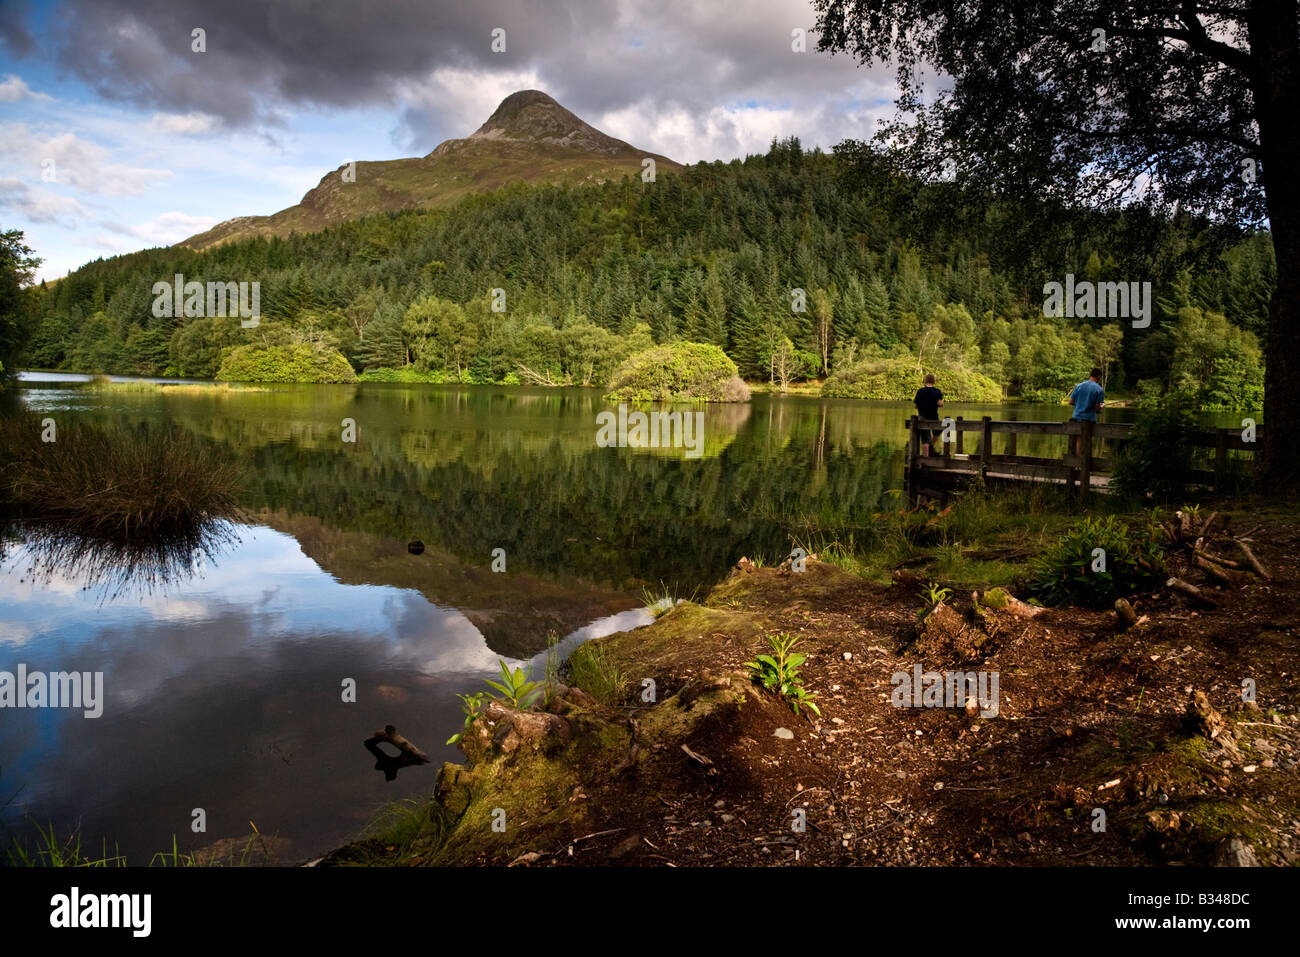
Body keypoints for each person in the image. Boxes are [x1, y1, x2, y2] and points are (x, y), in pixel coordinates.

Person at [1067, 367, 1105, 456]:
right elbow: (1097, 408)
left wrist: (1081, 404)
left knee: (1078, 441)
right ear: (1099, 376)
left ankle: (1077, 464)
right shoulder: (1099, 389)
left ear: (1090, 375)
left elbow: (1071, 402)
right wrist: (1101, 406)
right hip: (1089, 419)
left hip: (1076, 417)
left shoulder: (1079, 386)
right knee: (1086, 441)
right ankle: (1082, 464)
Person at [913, 373, 944, 455]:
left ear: (925, 381)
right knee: (937, 431)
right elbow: (941, 404)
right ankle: (931, 446)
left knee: (925, 439)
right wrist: (936, 404)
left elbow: (916, 405)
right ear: (934, 381)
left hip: (923, 417)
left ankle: (925, 460)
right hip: (934, 417)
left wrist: (922, 406)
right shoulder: (937, 391)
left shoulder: (920, 391)